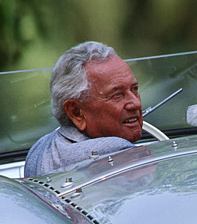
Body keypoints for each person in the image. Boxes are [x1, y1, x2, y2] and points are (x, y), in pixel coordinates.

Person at [24, 41, 143, 177]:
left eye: (134, 89)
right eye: (117, 95)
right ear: (76, 112)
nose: (135, 103)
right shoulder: (119, 152)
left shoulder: (39, 149)